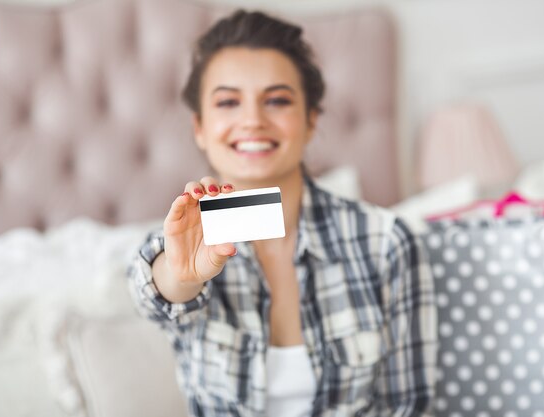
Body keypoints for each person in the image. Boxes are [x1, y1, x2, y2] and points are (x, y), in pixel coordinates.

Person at [128, 9, 436, 417]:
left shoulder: (387, 241)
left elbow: (409, 405)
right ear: (200, 127)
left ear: (310, 120)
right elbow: (152, 291)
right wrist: (181, 276)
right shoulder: (180, 242)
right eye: (228, 102)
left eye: (277, 100)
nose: (253, 120)